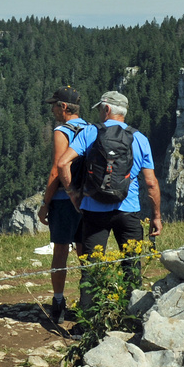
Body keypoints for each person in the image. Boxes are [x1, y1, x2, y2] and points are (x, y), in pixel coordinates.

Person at [57, 91, 162, 261]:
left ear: (107, 109)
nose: (99, 113)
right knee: (131, 266)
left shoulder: (89, 132)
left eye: (100, 109)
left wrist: (73, 193)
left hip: (94, 207)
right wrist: (156, 216)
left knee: (92, 267)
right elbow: (151, 183)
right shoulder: (139, 138)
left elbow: (62, 163)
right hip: (128, 208)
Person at [36, 86, 97, 323]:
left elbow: (56, 168)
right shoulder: (91, 129)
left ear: (63, 107)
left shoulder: (62, 131)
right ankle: (87, 302)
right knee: (85, 252)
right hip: (88, 199)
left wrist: (45, 203)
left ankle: (58, 302)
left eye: (54, 105)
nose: (52, 109)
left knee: (61, 251)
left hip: (64, 199)